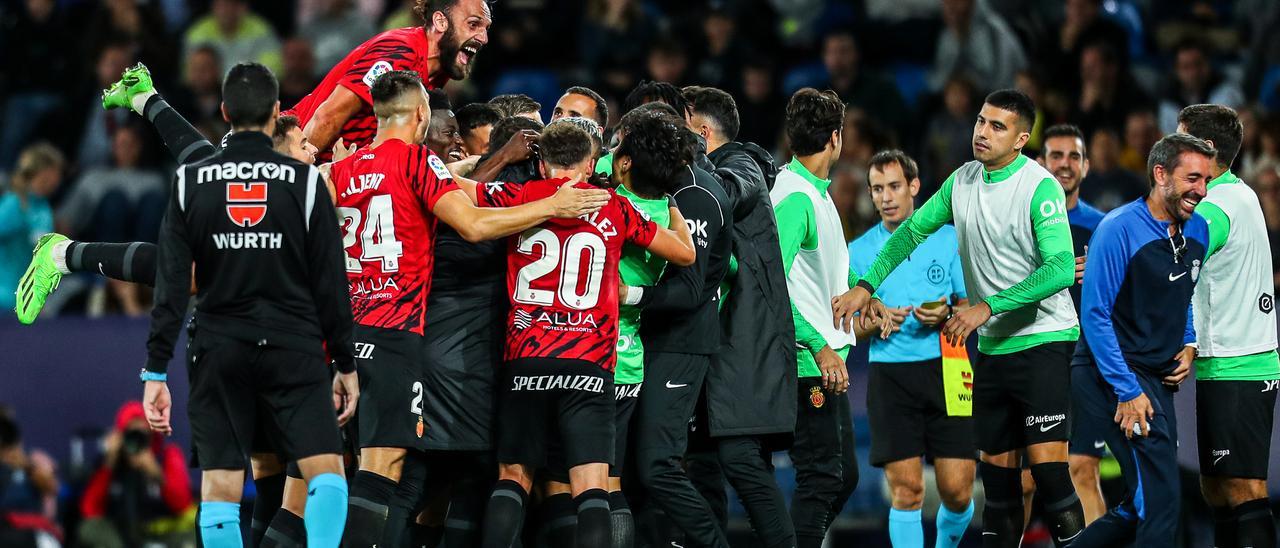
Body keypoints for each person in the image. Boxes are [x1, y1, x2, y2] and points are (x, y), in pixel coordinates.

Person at [329, 70, 611, 547]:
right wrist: (553, 208)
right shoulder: (418, 162)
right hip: (397, 334)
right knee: (387, 473)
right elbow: (476, 226)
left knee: (345, 473)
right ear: (420, 115)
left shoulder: (339, 171)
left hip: (350, 337)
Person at [836, 89, 1087, 548]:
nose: (982, 132)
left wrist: (984, 307)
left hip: (1043, 340)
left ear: (1021, 138)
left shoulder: (1039, 186)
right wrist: (866, 285)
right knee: (999, 486)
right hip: (992, 347)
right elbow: (910, 232)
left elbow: (1057, 268)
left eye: (997, 126)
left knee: (1050, 478)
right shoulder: (962, 181)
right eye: (980, 121)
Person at [140, 61, 359, 548]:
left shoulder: (188, 182)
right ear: (277, 111)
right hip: (293, 346)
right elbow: (330, 280)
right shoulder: (305, 182)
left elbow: (174, 285)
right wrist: (344, 361)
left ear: (223, 112)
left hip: (219, 347)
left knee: (219, 491)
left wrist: (156, 371)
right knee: (326, 475)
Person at [476, 119, 696, 548]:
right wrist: (672, 207)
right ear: (591, 163)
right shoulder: (613, 205)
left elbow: (456, 190)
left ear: (542, 166)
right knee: (592, 484)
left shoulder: (520, 195)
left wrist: (496, 158)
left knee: (514, 476)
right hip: (590, 363)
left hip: (526, 357)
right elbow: (685, 254)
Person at [1070, 133, 1214, 546]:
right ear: (1160, 174)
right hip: (1112, 375)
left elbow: (1183, 294)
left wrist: (1189, 342)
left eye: (1205, 180)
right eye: (1192, 178)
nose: (1201, 191)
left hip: (1156, 379)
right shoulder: (1117, 229)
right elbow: (1095, 317)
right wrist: (1127, 390)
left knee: (1140, 503)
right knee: (1162, 501)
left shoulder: (1199, 230)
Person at [848, 150, 976, 548]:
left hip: (949, 367)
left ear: (915, 187)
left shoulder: (949, 238)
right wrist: (873, 321)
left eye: (894, 187)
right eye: (877, 189)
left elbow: (972, 307)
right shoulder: (858, 252)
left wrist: (945, 314)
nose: (885, 197)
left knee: (958, 492)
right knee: (907, 491)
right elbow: (851, 325)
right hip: (891, 376)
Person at [627, 90, 733, 548]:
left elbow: (690, 289)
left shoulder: (695, 196)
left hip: (682, 343)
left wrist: (629, 294)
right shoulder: (672, 189)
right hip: (654, 340)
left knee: (658, 464)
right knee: (639, 468)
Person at [773, 88, 877, 548]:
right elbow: (769, 287)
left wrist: (862, 298)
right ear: (836, 139)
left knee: (842, 476)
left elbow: (825, 269)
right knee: (822, 480)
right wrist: (817, 343)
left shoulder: (814, 194)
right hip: (805, 364)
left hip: (825, 360)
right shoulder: (795, 199)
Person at [1178, 104, 1280, 548]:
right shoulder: (1233, 194)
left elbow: (1183, 255)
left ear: (1208, 149)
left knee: (1243, 489)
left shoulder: (1217, 206)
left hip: (1240, 363)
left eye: (1181, 139)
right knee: (1216, 488)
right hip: (1227, 362)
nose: (1172, 148)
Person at [290, 0, 492, 155]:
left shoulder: (437, 71)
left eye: (486, 28)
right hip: (293, 149)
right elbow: (328, 117)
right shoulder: (399, 53)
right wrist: (296, 178)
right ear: (440, 22)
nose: (484, 38)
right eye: (473, 25)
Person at [1039, 123, 1109, 524]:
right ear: (1040, 162)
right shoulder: (1020, 224)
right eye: (1056, 156)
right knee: (1029, 479)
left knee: (1083, 469)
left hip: (1087, 365)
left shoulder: (1105, 228)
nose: (1065, 165)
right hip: (1035, 362)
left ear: (1087, 165)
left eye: (1073, 157)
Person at [78, 401, 194, 548]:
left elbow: (182, 505)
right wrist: (109, 464)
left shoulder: (166, 457)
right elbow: (90, 509)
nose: (136, 441)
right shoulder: (110, 462)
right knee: (90, 529)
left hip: (160, 532)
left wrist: (157, 474)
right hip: (119, 535)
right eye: (131, 434)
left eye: (142, 435)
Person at [3, 143, 62, 316]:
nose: (59, 179)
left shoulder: (43, 208)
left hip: (29, 302)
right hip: (5, 299)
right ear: (46, 172)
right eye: (57, 172)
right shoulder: (14, 204)